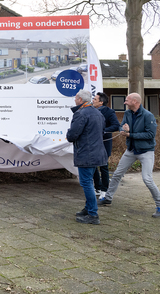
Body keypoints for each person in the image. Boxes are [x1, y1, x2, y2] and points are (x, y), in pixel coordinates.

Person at [98, 93, 160, 217]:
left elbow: (150, 135)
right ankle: (107, 199)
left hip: (146, 151)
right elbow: (121, 126)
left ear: (135, 101)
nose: (125, 102)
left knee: (147, 179)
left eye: (126, 100)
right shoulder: (127, 113)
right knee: (117, 174)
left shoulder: (148, 115)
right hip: (130, 150)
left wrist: (130, 134)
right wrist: (122, 129)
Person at [66, 89, 107, 225]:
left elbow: (72, 135)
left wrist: (68, 133)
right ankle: (89, 208)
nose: (74, 100)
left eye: (76, 98)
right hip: (97, 153)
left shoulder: (81, 114)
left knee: (86, 183)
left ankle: (92, 214)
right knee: (89, 182)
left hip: (86, 154)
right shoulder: (98, 113)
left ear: (80, 100)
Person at [91, 92, 120, 199]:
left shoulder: (109, 112)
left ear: (101, 102)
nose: (93, 100)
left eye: (95, 99)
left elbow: (116, 125)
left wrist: (102, 131)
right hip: (93, 143)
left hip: (104, 142)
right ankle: (97, 187)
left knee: (103, 167)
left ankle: (104, 190)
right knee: (93, 165)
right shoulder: (91, 110)